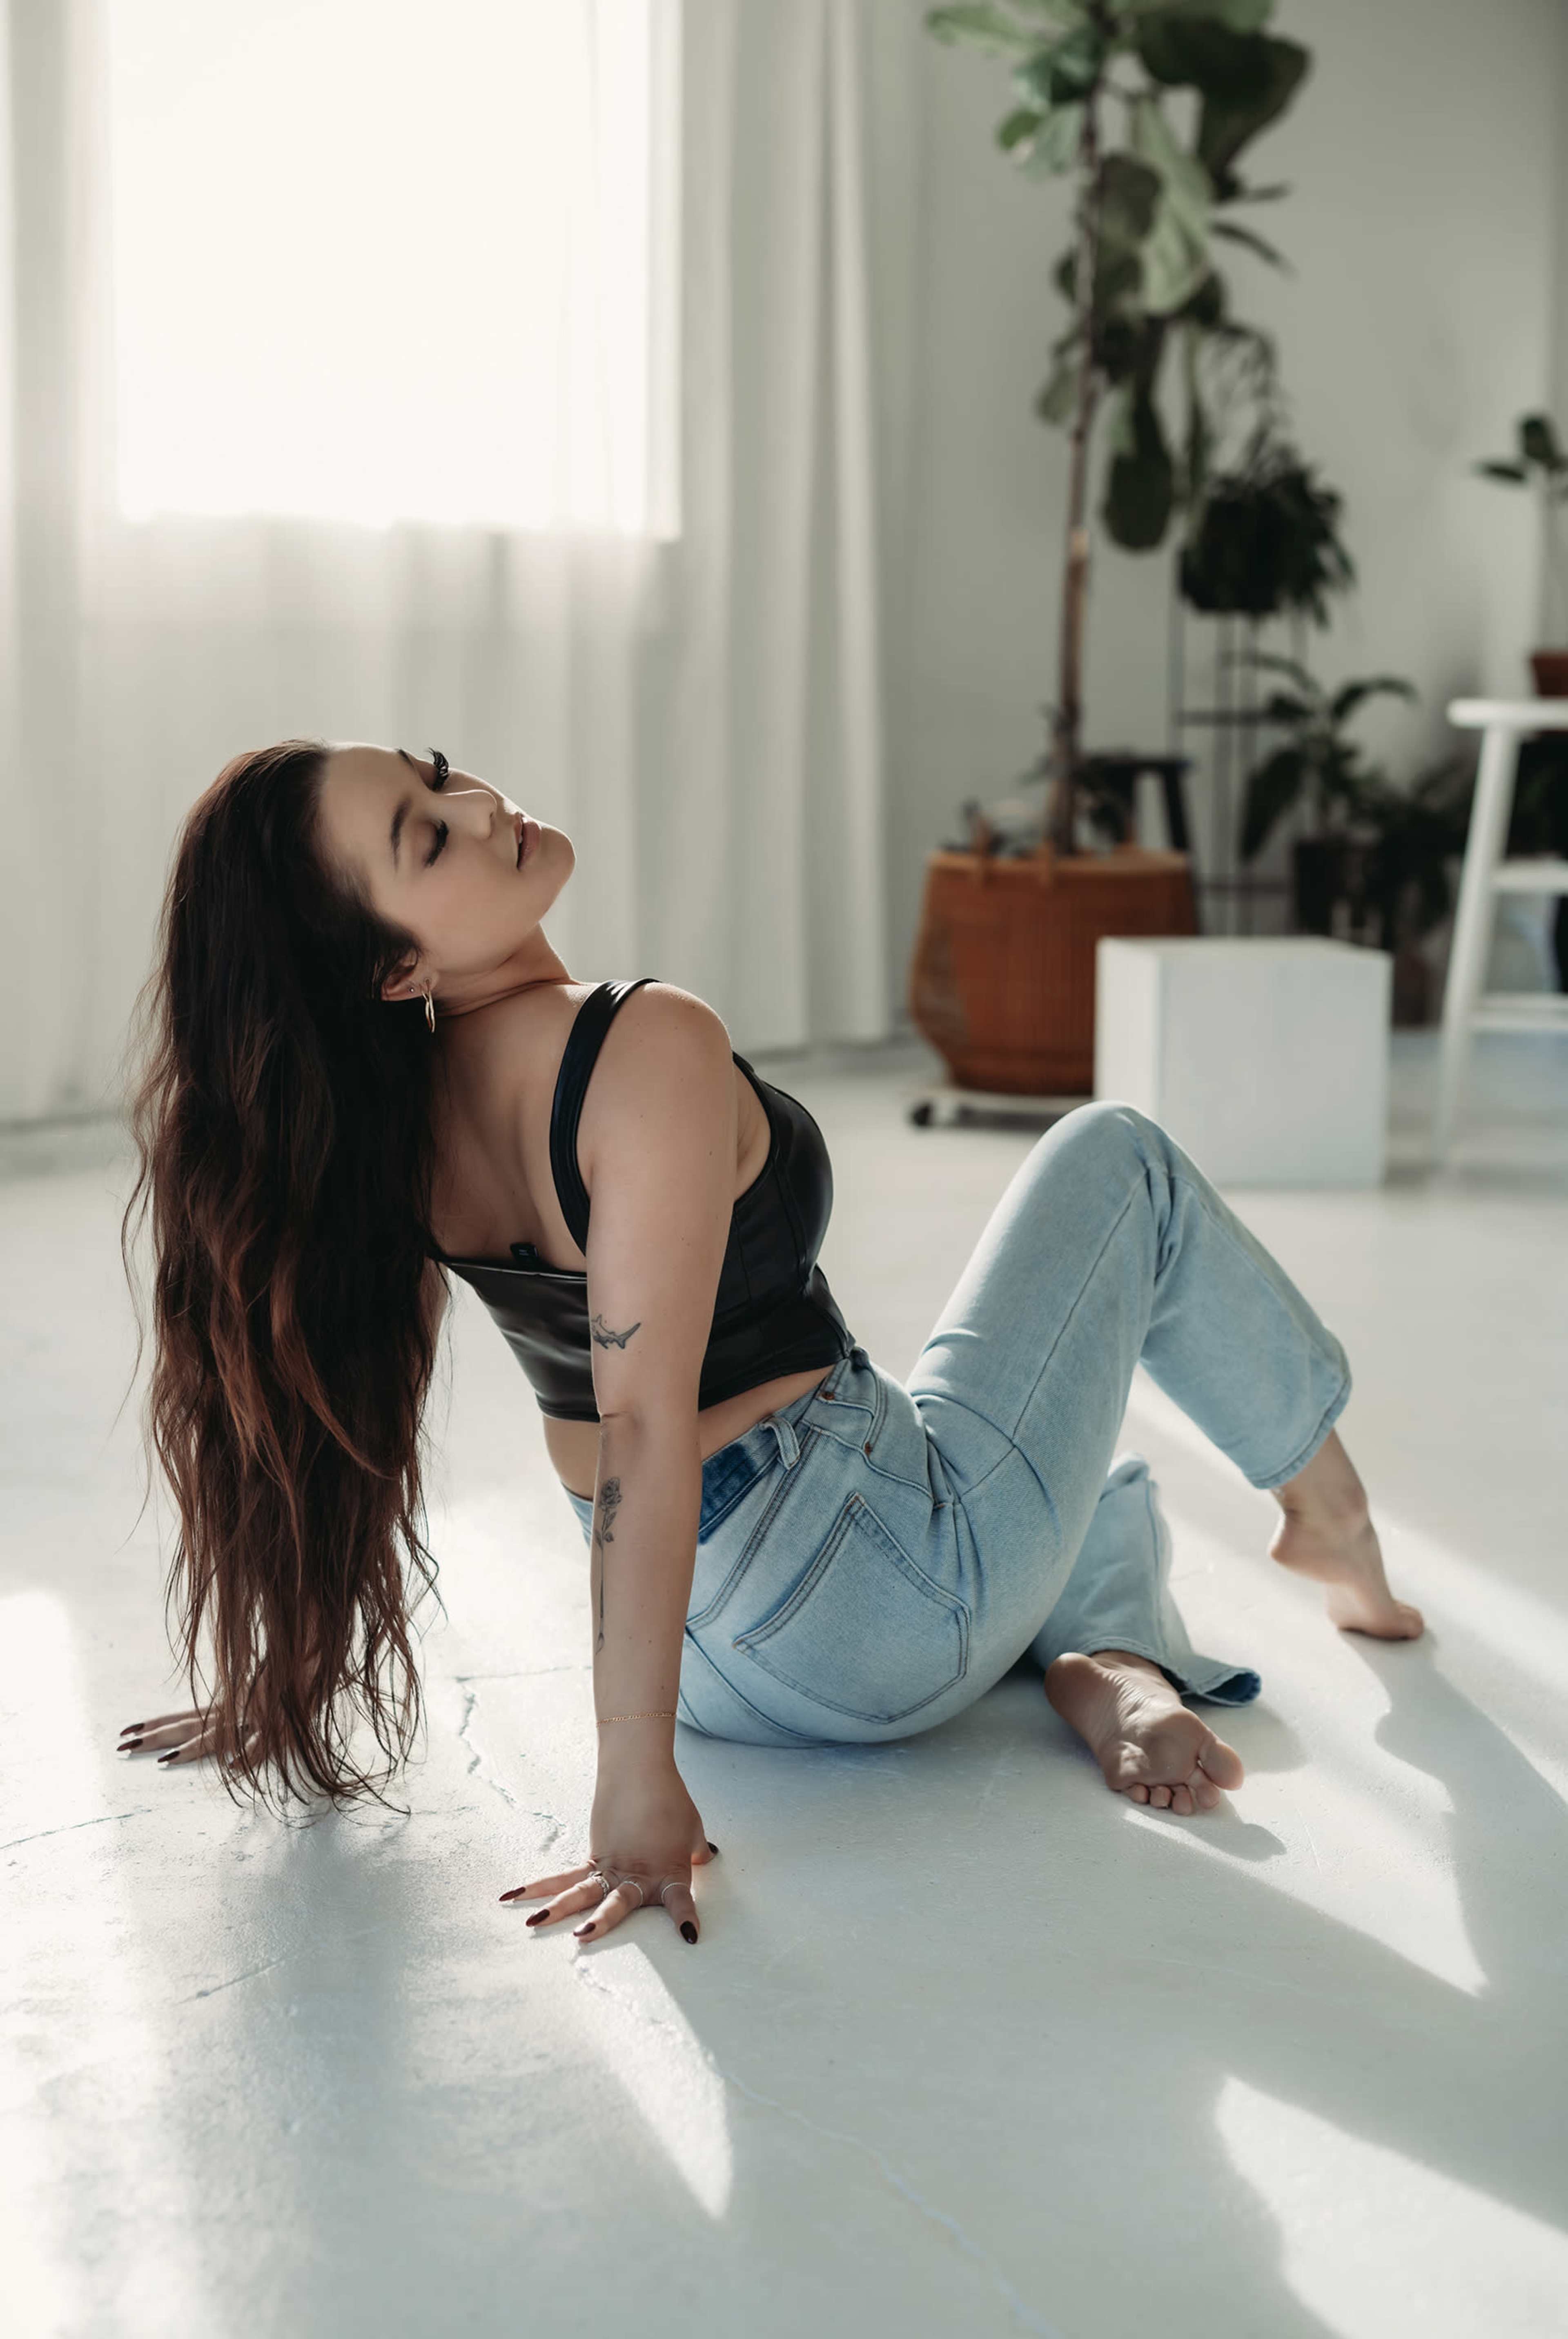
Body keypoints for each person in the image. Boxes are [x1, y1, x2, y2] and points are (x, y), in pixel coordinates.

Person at [120, 740, 1423, 1950]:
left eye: (443, 773)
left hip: (708, 1667)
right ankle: (1335, 1517)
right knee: (1120, 1159)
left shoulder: (397, 1125)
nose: (479, 810)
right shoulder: (640, 1045)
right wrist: (630, 1780)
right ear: (394, 971)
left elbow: (357, 1426)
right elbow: (644, 1423)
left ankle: (1103, 1667)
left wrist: (276, 1685)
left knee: (1063, 1468)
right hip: (875, 1602)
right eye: (427, 838)